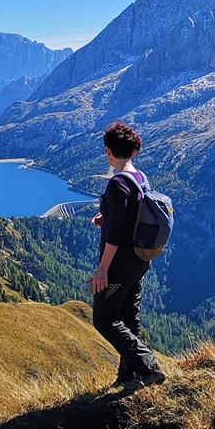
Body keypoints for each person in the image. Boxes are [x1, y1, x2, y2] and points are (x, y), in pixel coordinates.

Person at [87, 121, 167, 389]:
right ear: (132, 151)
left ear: (108, 152)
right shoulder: (140, 178)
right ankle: (128, 375)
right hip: (139, 260)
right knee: (128, 317)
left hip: (119, 263)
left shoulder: (117, 184)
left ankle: (148, 366)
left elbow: (117, 233)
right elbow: (129, 216)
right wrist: (105, 218)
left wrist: (102, 270)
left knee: (105, 319)